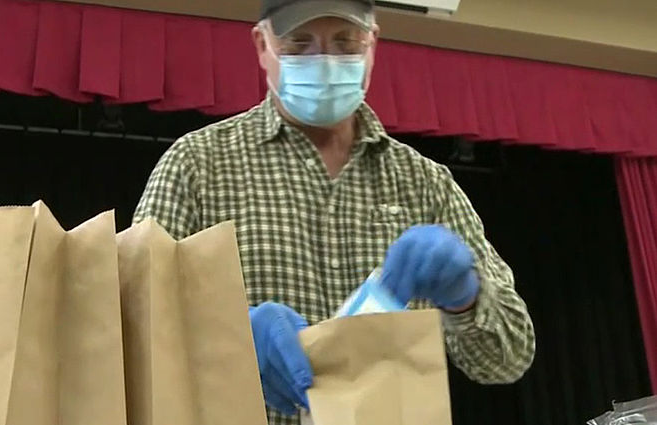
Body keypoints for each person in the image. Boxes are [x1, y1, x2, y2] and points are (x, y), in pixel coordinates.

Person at [133, 0, 536, 423]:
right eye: (299, 44)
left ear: (373, 43)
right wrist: (229, 338)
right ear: (261, 45)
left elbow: (508, 358)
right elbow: (132, 328)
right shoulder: (198, 165)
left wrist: (465, 297)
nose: (323, 62)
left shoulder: (426, 184)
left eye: (345, 43)